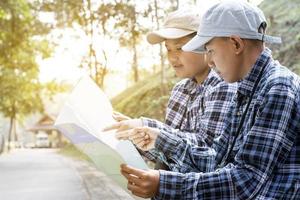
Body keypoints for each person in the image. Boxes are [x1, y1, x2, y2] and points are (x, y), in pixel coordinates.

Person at [117, 1, 300, 199]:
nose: (209, 61)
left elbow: (247, 180)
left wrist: (164, 185)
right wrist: (161, 140)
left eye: (210, 50)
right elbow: (217, 160)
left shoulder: (278, 87)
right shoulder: (245, 91)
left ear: (236, 44)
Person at [104, 9, 237, 172]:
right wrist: (137, 135)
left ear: (204, 45)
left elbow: (207, 151)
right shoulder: (180, 90)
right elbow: (166, 153)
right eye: (168, 49)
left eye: (179, 48)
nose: (172, 58)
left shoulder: (223, 85)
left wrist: (147, 125)